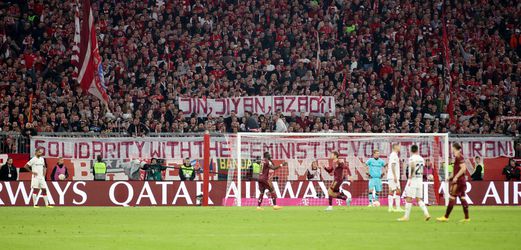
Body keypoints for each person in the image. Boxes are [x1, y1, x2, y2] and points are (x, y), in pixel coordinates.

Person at [437, 143, 470, 222]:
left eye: (452, 148)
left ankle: (446, 217)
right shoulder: (457, 157)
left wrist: (456, 177)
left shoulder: (459, 156)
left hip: (459, 181)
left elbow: (463, 169)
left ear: (454, 148)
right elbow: (456, 170)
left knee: (452, 197)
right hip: (460, 181)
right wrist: (450, 177)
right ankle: (467, 218)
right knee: (462, 198)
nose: (451, 149)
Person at [398, 145, 430, 221]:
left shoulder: (412, 158)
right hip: (419, 179)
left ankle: (406, 217)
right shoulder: (421, 159)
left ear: (411, 151)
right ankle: (426, 213)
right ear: (417, 150)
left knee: (409, 198)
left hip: (413, 180)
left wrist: (410, 176)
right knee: (419, 199)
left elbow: (412, 166)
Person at [387, 144, 403, 212]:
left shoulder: (393, 155)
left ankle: (391, 208)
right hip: (393, 176)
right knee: (398, 190)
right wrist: (394, 176)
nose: (400, 148)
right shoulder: (393, 155)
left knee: (392, 190)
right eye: (399, 146)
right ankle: (397, 207)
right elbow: (392, 165)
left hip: (392, 176)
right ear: (395, 147)